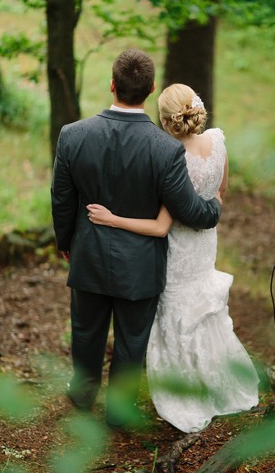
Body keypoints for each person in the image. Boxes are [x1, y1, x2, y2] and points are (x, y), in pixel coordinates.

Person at [51, 49, 221, 430]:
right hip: (141, 264)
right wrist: (215, 208)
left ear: (112, 85)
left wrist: (65, 241)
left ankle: (82, 394)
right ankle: (118, 413)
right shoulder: (165, 150)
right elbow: (192, 211)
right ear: (150, 89)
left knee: (86, 330)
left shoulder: (72, 136)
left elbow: (62, 198)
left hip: (89, 254)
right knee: (131, 342)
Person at [86, 83, 260, 432]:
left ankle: (187, 389)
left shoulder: (169, 158)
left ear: (166, 123)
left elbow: (160, 226)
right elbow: (221, 193)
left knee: (179, 311)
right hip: (205, 243)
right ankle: (219, 381)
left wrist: (112, 219)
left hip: (178, 249)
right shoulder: (218, 142)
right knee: (206, 306)